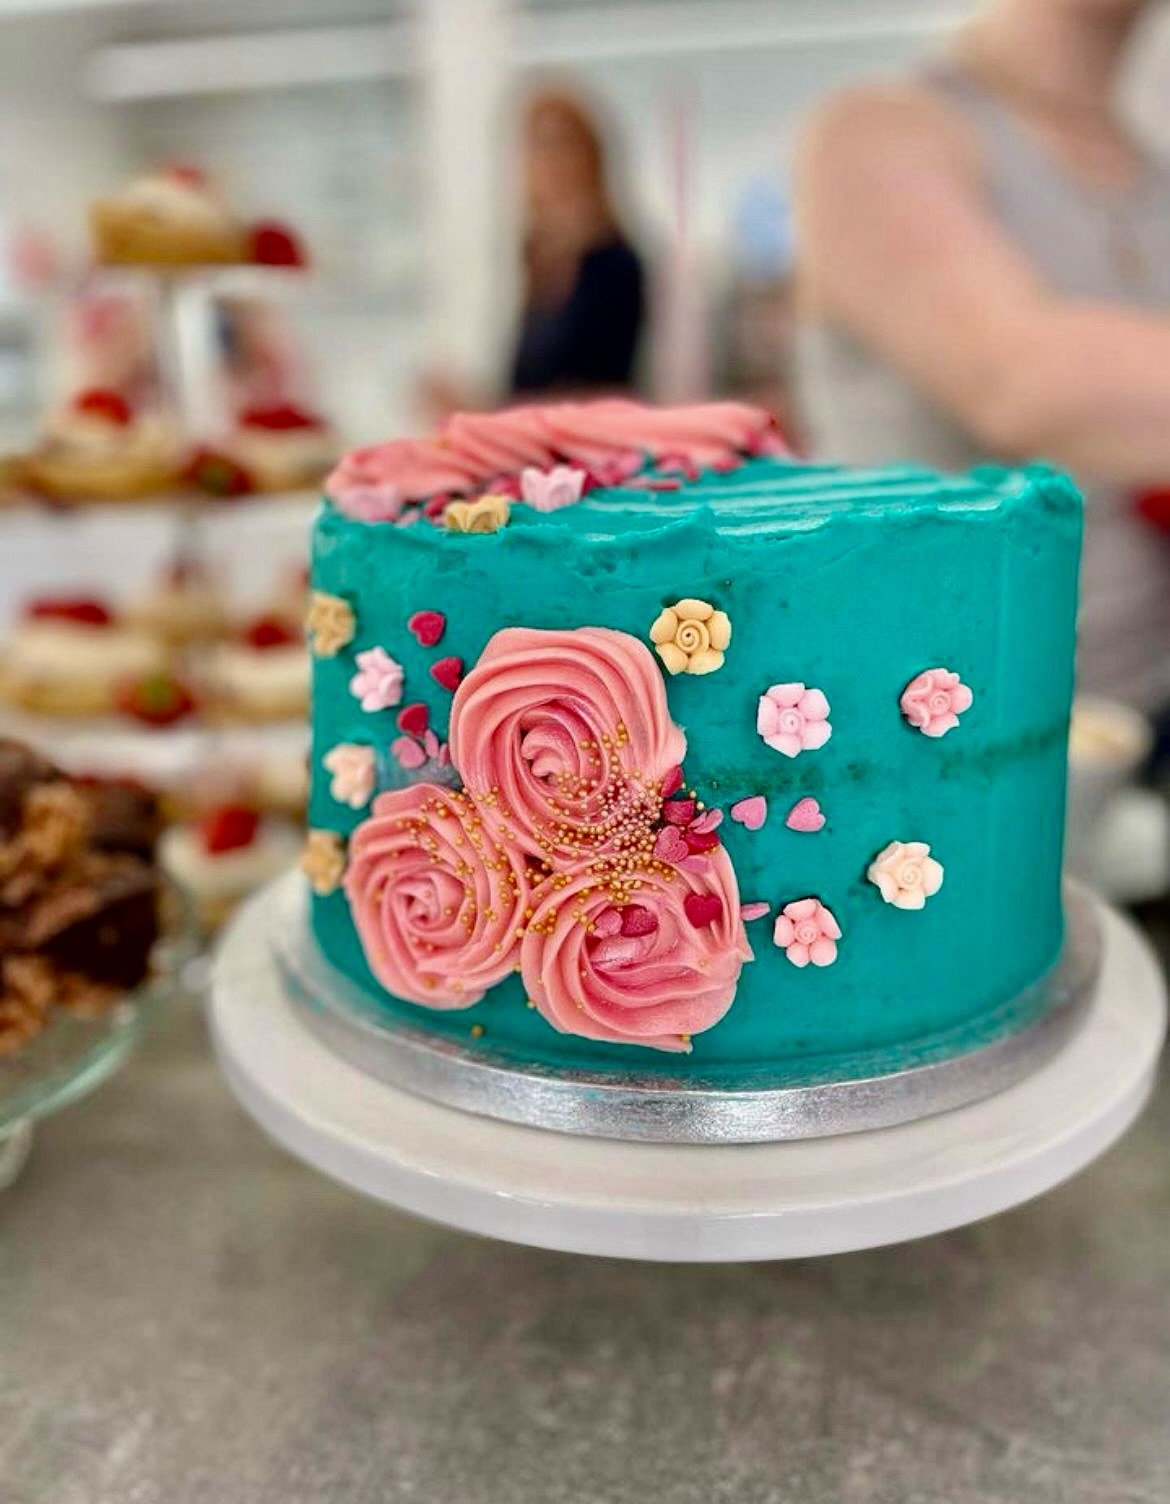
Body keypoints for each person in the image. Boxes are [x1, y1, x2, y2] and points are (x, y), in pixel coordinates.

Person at [795, 0, 1170, 711]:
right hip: (944, 750)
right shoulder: (879, 134)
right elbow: (1022, 382)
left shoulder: (1152, 178)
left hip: (1142, 724)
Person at [509, 89, 646, 396]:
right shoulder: (536, 262)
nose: (549, 162)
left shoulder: (614, 264)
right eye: (537, 147)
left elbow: (605, 389)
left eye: (559, 144)